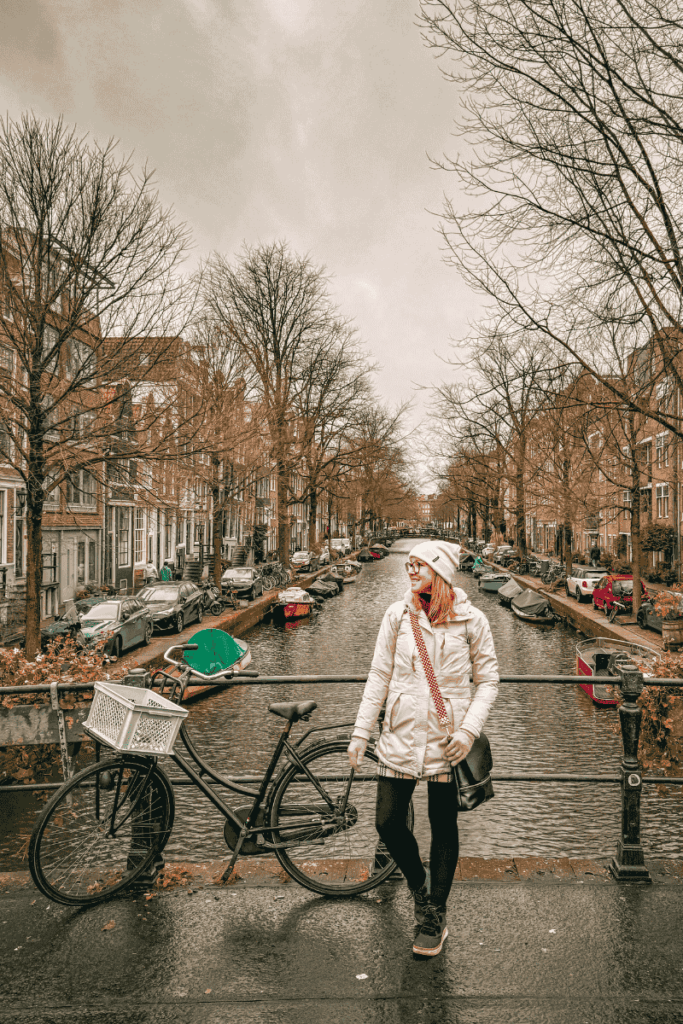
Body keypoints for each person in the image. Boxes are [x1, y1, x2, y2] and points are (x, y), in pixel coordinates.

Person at [347, 540, 499, 957]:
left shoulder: (473, 621)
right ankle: (420, 887)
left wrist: (468, 731)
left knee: (442, 825)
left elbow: (488, 682)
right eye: (409, 564)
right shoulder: (397, 617)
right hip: (398, 733)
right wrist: (362, 732)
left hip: (447, 741)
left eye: (419, 565)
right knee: (388, 823)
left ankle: (435, 913)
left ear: (441, 572)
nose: (410, 571)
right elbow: (379, 675)